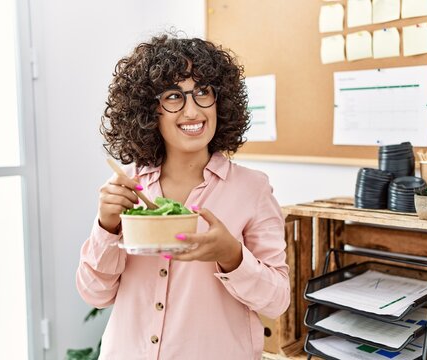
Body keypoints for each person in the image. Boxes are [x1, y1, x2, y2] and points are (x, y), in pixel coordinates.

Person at [76, 33, 290, 360]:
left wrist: (233, 256)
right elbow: (95, 294)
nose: (192, 110)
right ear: (150, 110)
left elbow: (276, 302)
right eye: (174, 96)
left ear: (221, 101)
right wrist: (107, 227)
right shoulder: (127, 185)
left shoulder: (253, 189)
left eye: (203, 92)